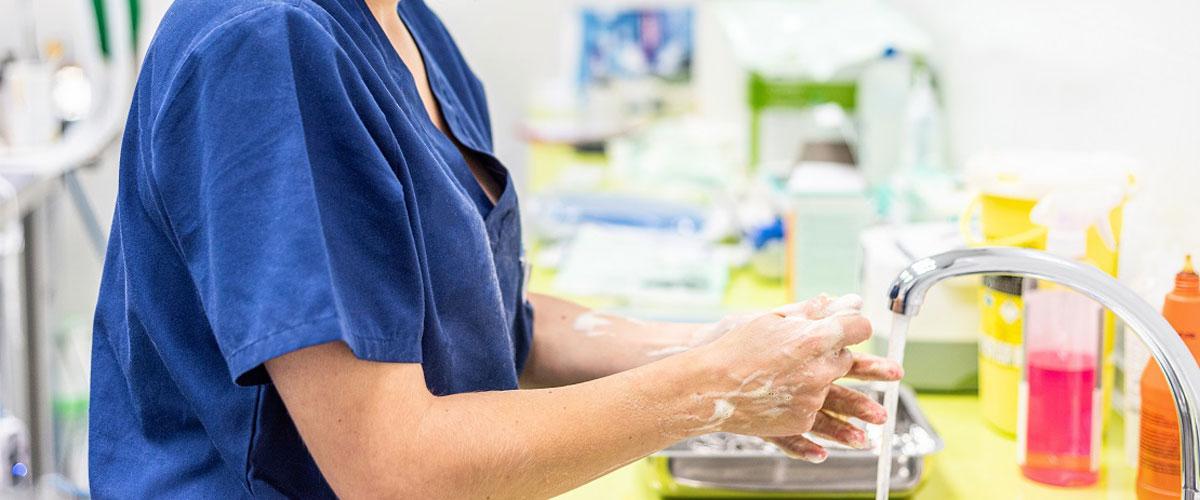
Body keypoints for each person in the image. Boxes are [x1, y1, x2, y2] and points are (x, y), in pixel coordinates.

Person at [88, 0, 902, 497]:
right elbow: (392, 470)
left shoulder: (403, 26)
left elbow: (486, 327)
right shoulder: (266, 44)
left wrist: (708, 347)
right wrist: (709, 390)